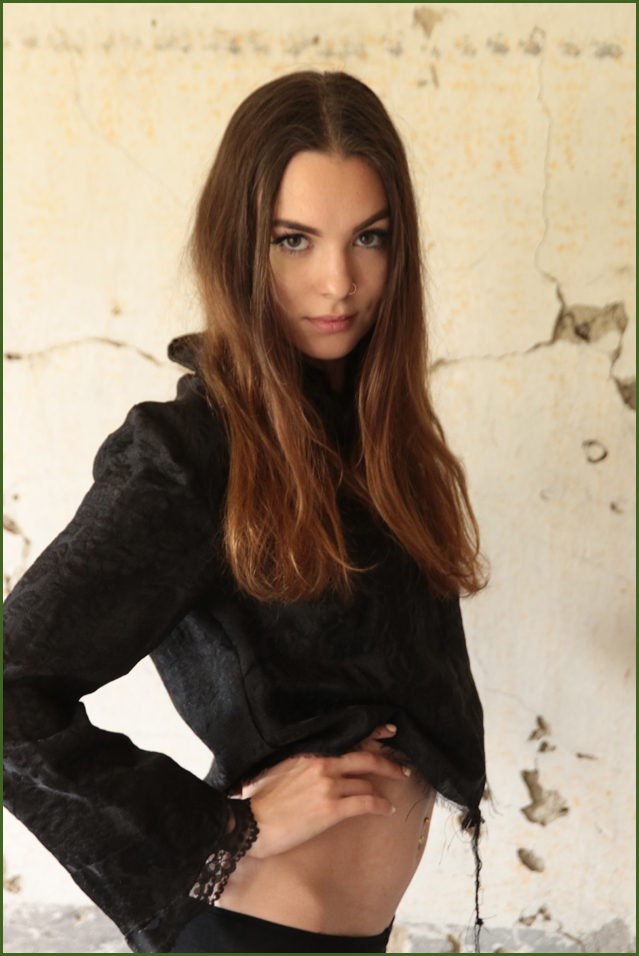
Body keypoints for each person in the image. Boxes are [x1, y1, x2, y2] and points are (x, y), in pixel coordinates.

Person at [3, 71, 487, 954]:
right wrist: (227, 827)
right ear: (238, 248)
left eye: (369, 237)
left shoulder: (374, 434)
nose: (337, 281)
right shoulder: (192, 454)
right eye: (293, 240)